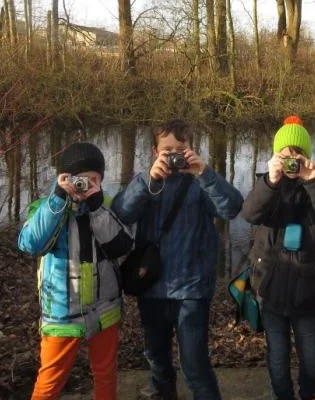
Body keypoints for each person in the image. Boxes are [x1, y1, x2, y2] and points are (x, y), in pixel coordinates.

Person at [111, 119, 243, 400]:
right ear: (154, 151)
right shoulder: (146, 180)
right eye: (167, 149)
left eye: (180, 149)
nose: (173, 156)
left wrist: (204, 172)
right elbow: (121, 213)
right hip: (152, 283)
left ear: (191, 149)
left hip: (191, 288)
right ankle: (164, 389)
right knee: (155, 354)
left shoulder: (200, 181)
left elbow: (232, 208)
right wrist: (148, 181)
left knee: (194, 364)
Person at [241, 116, 315, 400]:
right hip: (271, 289)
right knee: (277, 354)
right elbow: (250, 214)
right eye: (284, 154)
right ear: (275, 156)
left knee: (311, 352)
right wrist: (271, 180)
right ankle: (282, 395)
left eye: (297, 155)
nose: (292, 161)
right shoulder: (268, 187)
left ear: (307, 157)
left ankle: (311, 393)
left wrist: (314, 181)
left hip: (308, 291)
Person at [18, 142, 135, 400]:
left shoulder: (104, 204)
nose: (85, 185)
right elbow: (30, 244)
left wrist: (95, 207)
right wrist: (59, 198)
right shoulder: (46, 206)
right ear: (64, 178)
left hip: (105, 307)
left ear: (102, 179)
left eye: (94, 179)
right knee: (49, 380)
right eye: (79, 180)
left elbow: (122, 245)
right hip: (61, 310)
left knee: (105, 373)